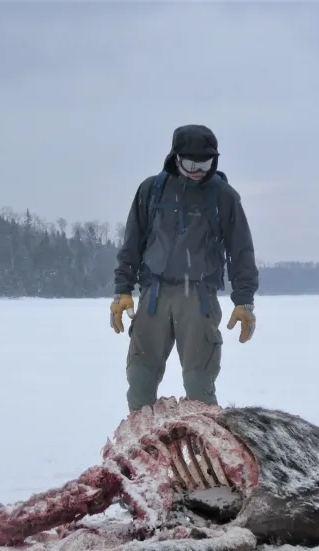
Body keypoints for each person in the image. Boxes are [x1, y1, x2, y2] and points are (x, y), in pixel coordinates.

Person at [110, 124, 259, 412]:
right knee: (139, 381)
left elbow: (241, 251)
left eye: (204, 163)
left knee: (199, 387)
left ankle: (209, 452)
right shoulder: (151, 190)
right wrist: (122, 291)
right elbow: (132, 243)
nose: (197, 170)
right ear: (175, 157)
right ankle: (145, 451)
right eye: (190, 162)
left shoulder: (224, 196)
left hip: (199, 300)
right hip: (154, 296)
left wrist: (245, 301)